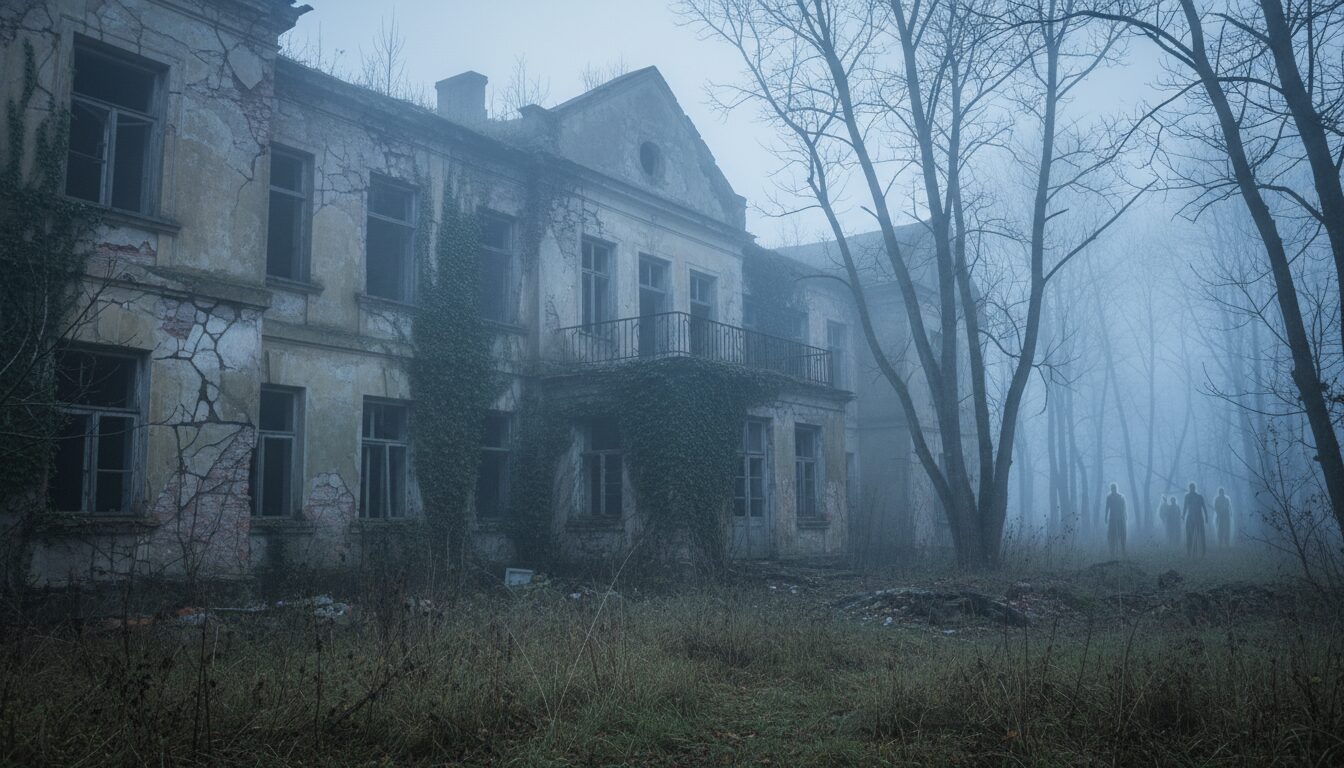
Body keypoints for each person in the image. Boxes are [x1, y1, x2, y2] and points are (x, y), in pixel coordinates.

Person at [1183, 482, 1208, 558]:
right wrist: (1183, 515)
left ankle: (1202, 551)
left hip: (1199, 518)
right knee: (1189, 535)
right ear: (1189, 488)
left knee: (1201, 535)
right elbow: (1185, 507)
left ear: (1195, 488)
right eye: (1191, 487)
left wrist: (1206, 516)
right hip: (1190, 518)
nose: (1192, 489)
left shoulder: (1199, 497)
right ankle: (1189, 552)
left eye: (1193, 487)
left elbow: (1204, 507)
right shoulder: (1187, 497)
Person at [1105, 483, 1127, 558]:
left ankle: (1123, 550)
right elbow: (1107, 508)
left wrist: (1125, 516)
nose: (1113, 489)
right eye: (1112, 488)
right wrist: (1105, 517)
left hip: (1120, 519)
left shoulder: (1121, 497)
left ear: (1116, 488)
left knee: (1122, 534)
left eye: (1114, 488)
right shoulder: (1109, 497)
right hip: (1112, 519)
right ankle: (1112, 552)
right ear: (1111, 489)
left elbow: (1124, 508)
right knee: (1112, 535)